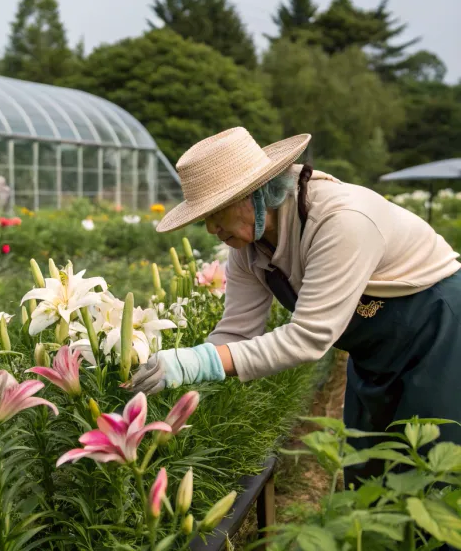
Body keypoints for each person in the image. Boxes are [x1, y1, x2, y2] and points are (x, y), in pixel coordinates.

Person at [127, 126, 461, 486]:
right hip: (375, 349)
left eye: (216, 211)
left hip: (436, 331)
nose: (210, 228)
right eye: (203, 216)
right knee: (368, 468)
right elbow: (237, 332)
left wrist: (197, 363)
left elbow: (308, 338)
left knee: (432, 472)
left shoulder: (340, 220)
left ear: (254, 193)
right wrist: (182, 375)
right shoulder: (248, 248)